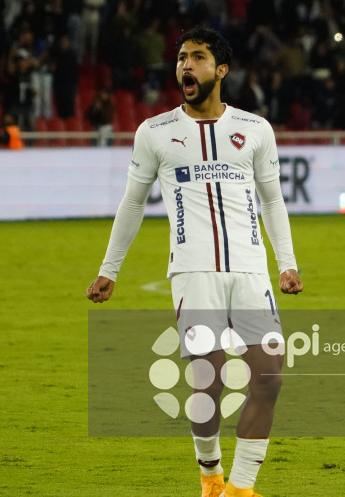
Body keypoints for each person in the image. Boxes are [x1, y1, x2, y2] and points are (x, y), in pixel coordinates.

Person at [85, 27, 303, 497]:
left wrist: (286, 262)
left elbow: (273, 201)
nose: (186, 65)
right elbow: (132, 203)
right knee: (210, 380)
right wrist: (110, 268)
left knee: (269, 378)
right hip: (193, 272)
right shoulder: (155, 132)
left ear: (220, 70)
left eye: (198, 57)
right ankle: (210, 475)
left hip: (250, 271)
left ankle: (242, 489)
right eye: (182, 57)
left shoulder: (255, 130)